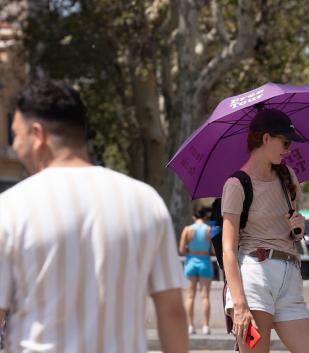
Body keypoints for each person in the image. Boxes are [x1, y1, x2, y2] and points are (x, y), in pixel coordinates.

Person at [0, 79, 187, 353]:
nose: (15, 145)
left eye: (15, 134)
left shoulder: (11, 208)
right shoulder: (145, 202)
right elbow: (171, 310)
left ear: (37, 134)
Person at [221, 108, 309, 353]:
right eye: (285, 142)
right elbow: (229, 249)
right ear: (266, 138)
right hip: (252, 279)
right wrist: (239, 305)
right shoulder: (236, 184)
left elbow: (293, 232)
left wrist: (298, 229)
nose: (288, 149)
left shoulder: (287, 176)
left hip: (290, 278)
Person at [179, 207, 214, 335]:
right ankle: (206, 326)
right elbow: (214, 251)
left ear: (194, 216)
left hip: (191, 262)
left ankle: (190, 326)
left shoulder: (187, 230)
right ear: (205, 216)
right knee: (205, 296)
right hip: (204, 261)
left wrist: (190, 248)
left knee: (190, 296)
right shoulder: (209, 230)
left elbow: (182, 249)